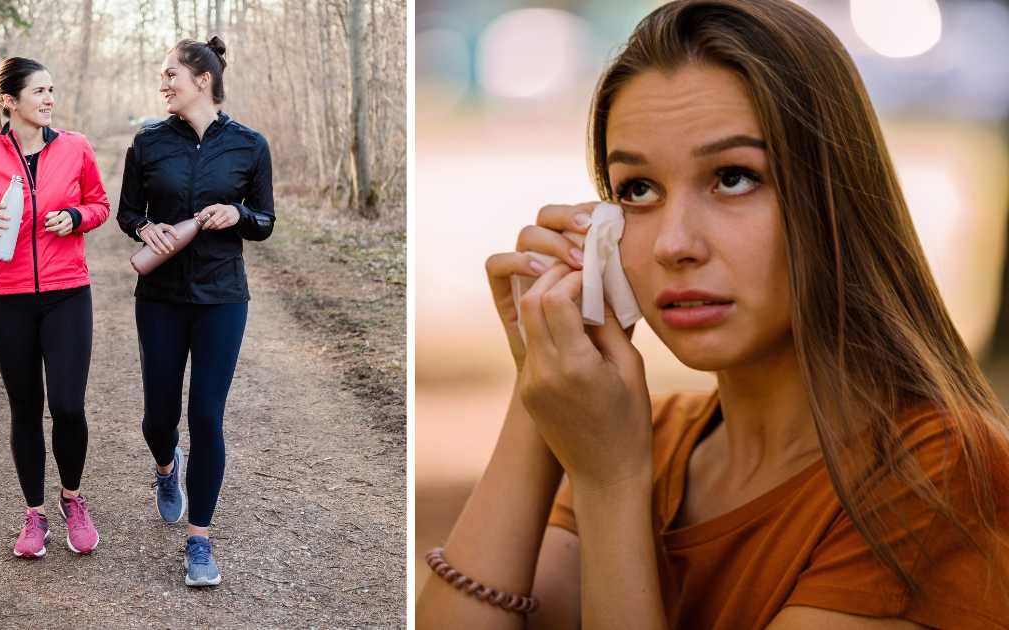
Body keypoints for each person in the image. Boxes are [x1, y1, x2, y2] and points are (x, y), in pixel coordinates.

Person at [416, 1, 1009, 627]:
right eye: (638, 190)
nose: (674, 243)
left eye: (733, 177)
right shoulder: (654, 439)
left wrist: (611, 487)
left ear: (834, 199)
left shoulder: (941, 476)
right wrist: (539, 388)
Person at [116, 35, 275, 587]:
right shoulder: (149, 142)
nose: (162, 84)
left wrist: (238, 213)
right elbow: (128, 212)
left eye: (170, 76)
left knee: (206, 414)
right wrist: (144, 227)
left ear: (201, 80)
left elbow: (265, 220)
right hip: (160, 298)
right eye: (162, 77)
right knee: (158, 418)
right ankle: (166, 466)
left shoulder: (249, 145)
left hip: (222, 298)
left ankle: (200, 540)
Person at [0, 57, 110, 559]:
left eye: (52, 90)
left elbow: (101, 205)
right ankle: (34, 515)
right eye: (39, 91)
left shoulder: (76, 147)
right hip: (6, 298)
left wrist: (75, 216)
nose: (48, 99)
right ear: (9, 101)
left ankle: (73, 499)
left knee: (67, 405)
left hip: (67, 293)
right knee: (25, 407)